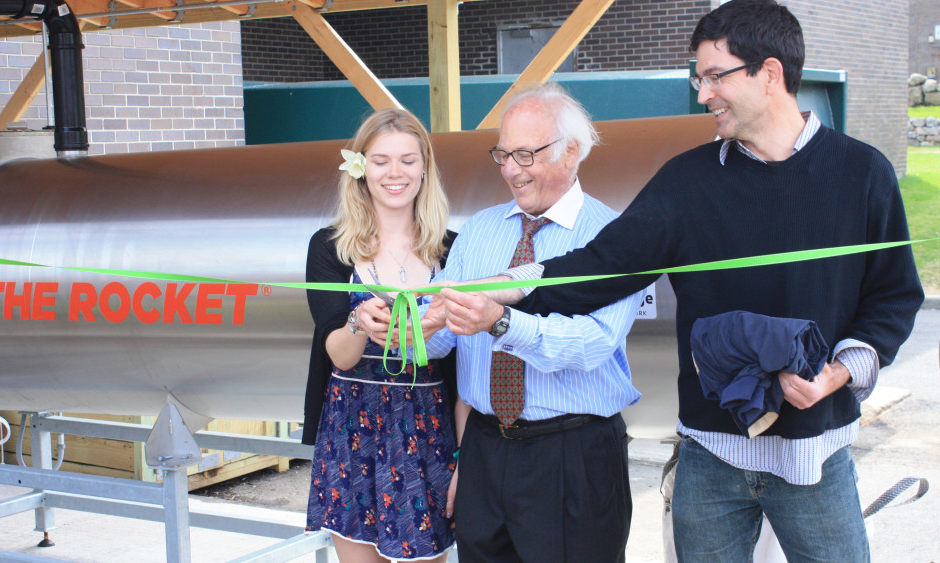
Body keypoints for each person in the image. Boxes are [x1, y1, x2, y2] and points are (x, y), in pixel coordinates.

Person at [441, 1, 925, 561]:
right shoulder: (687, 181)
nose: (703, 94)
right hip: (710, 460)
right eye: (699, 78)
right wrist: (501, 289)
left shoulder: (863, 173)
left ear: (769, 74)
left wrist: (836, 375)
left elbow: (893, 299)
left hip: (815, 457)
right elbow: (599, 267)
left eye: (715, 76)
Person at [423, 82, 643, 562]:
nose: (509, 171)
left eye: (525, 155)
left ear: (572, 152)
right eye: (502, 154)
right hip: (485, 448)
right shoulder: (479, 230)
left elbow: (590, 345)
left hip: (573, 454)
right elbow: (442, 341)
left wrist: (500, 322)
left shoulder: (616, 237)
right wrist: (417, 326)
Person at [303, 107, 458, 562]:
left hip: (427, 428)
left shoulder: (452, 249)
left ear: (425, 167)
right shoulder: (330, 247)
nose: (396, 173)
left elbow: (469, 356)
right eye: (381, 160)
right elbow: (340, 354)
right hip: (352, 428)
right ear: (360, 168)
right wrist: (358, 322)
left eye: (408, 160)